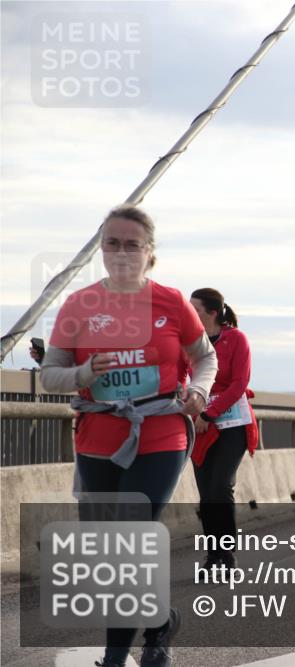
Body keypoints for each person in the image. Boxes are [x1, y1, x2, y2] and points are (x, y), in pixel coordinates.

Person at [40, 205, 218, 667]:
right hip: (98, 436)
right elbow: (50, 377)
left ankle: (116, 658)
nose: (122, 252)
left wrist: (198, 391)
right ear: (102, 251)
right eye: (112, 243)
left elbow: (206, 358)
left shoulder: (172, 302)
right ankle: (159, 621)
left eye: (132, 244)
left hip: (159, 430)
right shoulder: (79, 306)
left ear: (150, 253)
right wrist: (83, 371)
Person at [189, 288, 258, 570]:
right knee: (206, 494)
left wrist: (210, 412)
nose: (189, 314)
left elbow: (239, 382)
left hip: (232, 425)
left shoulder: (236, 339)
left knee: (220, 487)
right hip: (200, 426)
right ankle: (212, 555)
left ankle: (227, 553)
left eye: (195, 310)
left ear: (213, 313)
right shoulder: (190, 343)